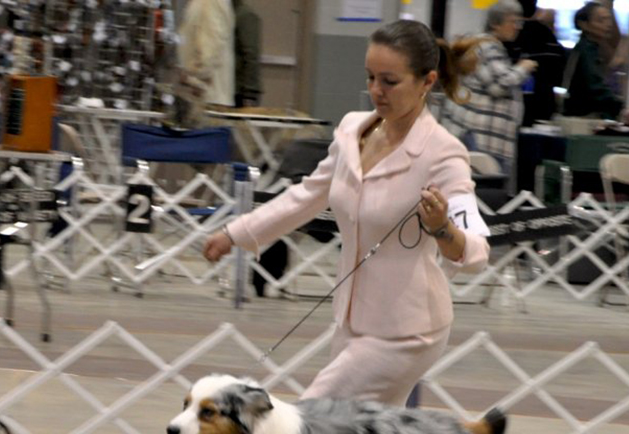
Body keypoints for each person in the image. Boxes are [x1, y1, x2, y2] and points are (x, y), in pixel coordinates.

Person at [204, 19, 491, 409]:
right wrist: (236, 233)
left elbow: (476, 253)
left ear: (427, 81)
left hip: (407, 331)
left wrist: (442, 229)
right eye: (371, 77)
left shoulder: (444, 152)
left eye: (390, 81)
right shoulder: (352, 130)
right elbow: (305, 197)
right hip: (351, 322)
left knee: (312, 421)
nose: (376, 90)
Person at [440, 1, 537, 175]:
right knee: (485, 187)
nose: (518, 27)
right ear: (495, 23)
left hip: (477, 136)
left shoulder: (482, 45)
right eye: (513, 21)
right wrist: (523, 67)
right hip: (481, 139)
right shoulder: (488, 47)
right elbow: (499, 86)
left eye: (520, 22)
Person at [508, 0, 566, 126]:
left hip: (511, 107)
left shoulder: (508, 37)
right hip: (543, 106)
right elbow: (560, 74)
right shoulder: (546, 35)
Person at [563, 2, 624, 119]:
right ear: (584, 24)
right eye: (601, 20)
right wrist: (621, 107)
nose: (608, 25)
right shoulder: (586, 51)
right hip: (583, 117)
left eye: (609, 19)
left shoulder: (592, 49)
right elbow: (595, 87)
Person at [178, 0, 235, 107]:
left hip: (207, 97)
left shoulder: (211, 2)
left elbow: (211, 48)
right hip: (198, 95)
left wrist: (193, 76)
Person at [232, 0, 262, 107]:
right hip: (227, 87)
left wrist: (250, 92)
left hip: (239, 90)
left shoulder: (244, 15)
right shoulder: (224, 14)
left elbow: (251, 55)